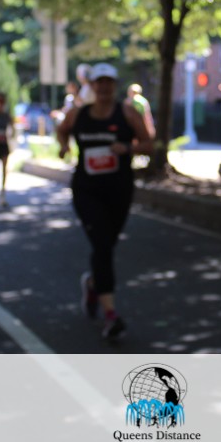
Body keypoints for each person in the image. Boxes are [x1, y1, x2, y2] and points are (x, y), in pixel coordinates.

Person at [56, 63, 153, 341]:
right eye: (99, 82)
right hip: (87, 190)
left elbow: (149, 144)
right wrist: (64, 146)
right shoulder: (78, 113)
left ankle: (92, 284)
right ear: (92, 85)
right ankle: (111, 314)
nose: (104, 87)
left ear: (115, 85)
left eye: (109, 82)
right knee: (101, 246)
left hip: (118, 189)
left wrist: (128, 148)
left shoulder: (128, 113)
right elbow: (62, 130)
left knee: (107, 245)